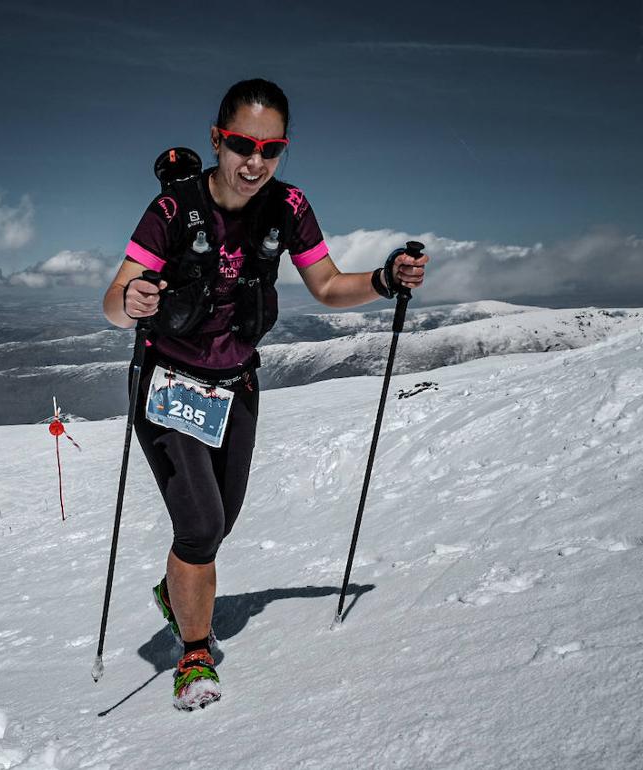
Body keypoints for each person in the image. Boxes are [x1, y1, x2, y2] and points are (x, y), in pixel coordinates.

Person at [102, 79, 428, 710]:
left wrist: (385, 279)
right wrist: (132, 302)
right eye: (242, 144)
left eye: (271, 148)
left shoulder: (289, 206)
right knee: (198, 526)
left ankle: (178, 591)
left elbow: (328, 286)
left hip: (237, 384)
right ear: (217, 139)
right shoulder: (172, 211)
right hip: (167, 382)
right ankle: (194, 656)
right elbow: (116, 301)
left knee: (222, 517)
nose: (255, 161)